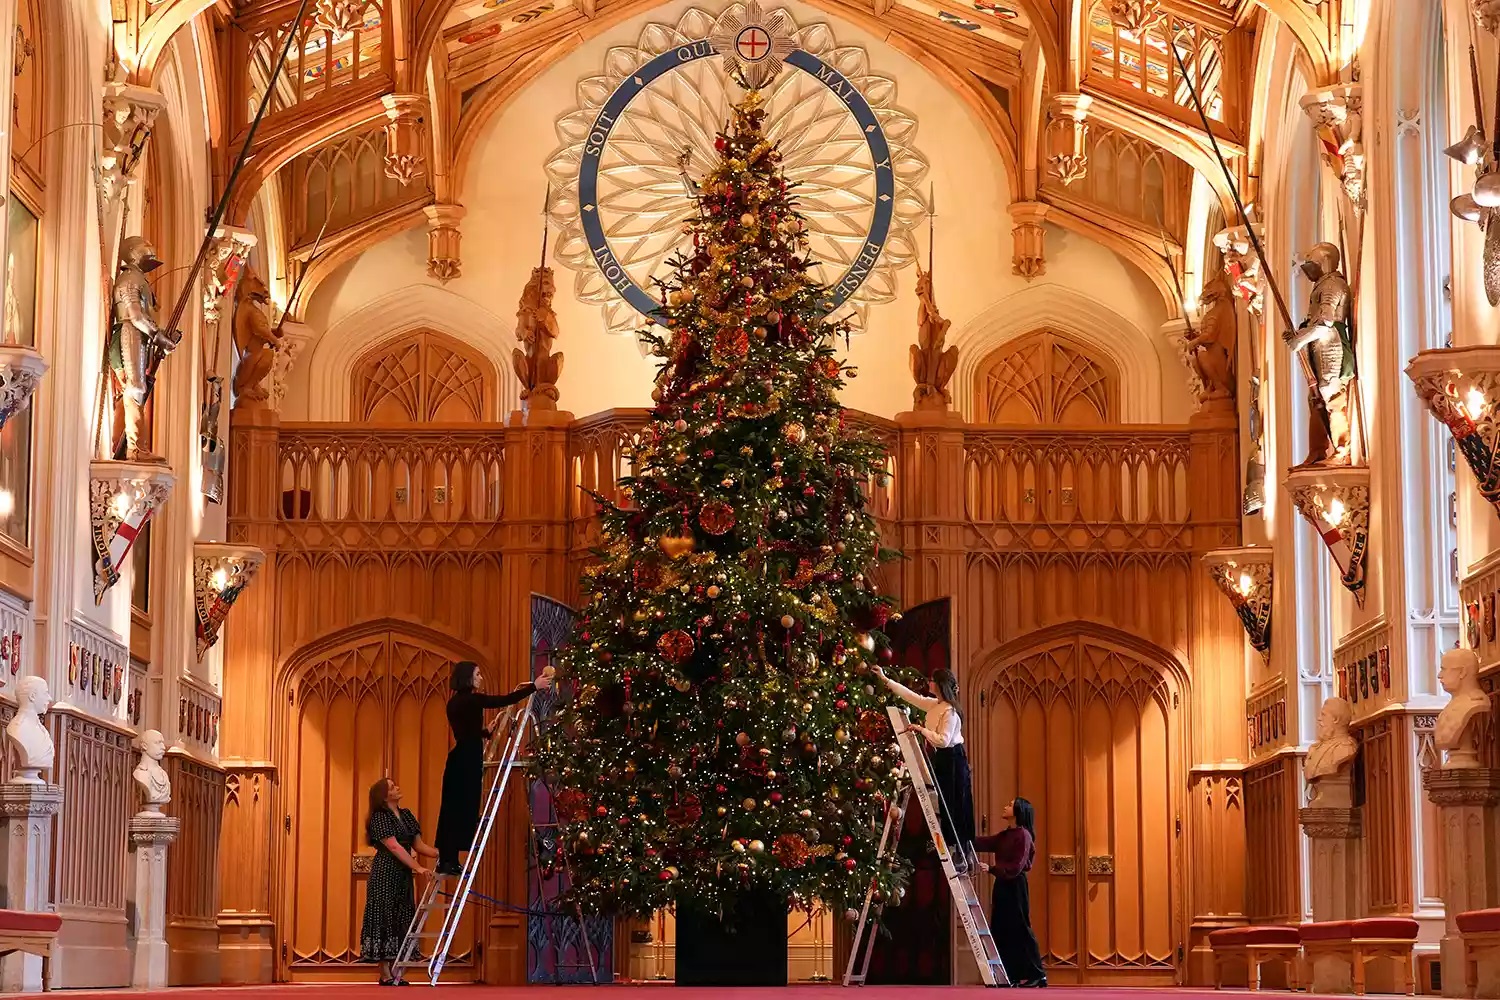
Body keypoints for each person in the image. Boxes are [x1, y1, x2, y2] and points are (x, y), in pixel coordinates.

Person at [434, 661, 552, 875]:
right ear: (468, 677)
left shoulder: (454, 703)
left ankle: (447, 859)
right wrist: (533, 686)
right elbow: (504, 700)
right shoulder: (472, 699)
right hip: (468, 759)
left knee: (451, 808)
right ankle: (450, 860)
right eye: (477, 674)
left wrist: (485, 732)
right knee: (465, 807)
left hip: (459, 757)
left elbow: (465, 733)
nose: (481, 678)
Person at [873, 664, 976, 872]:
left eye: (932, 680)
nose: (928, 683)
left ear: (939, 685)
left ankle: (961, 852)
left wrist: (920, 729)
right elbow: (911, 697)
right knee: (946, 802)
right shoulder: (934, 704)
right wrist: (886, 680)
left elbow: (944, 740)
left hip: (953, 759)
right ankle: (954, 847)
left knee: (954, 804)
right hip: (944, 760)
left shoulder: (950, 712)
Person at [360, 777, 437, 985]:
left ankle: (395, 971)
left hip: (402, 874)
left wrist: (441, 854)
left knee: (401, 916)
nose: (398, 788)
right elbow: (394, 847)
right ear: (384, 796)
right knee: (384, 917)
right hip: (385, 872)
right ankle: (385, 973)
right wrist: (418, 867)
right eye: (392, 787)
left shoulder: (406, 815)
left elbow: (419, 845)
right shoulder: (379, 817)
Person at [975, 797, 1047, 988]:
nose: (1005, 806)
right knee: (1001, 928)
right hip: (1002, 885)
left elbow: (1016, 867)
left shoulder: (1023, 835)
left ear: (1018, 811)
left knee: (1021, 929)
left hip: (1016, 886)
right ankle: (1010, 975)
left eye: (1010, 804)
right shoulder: (1006, 835)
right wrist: (961, 836)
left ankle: (1038, 974)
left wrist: (991, 869)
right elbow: (985, 843)